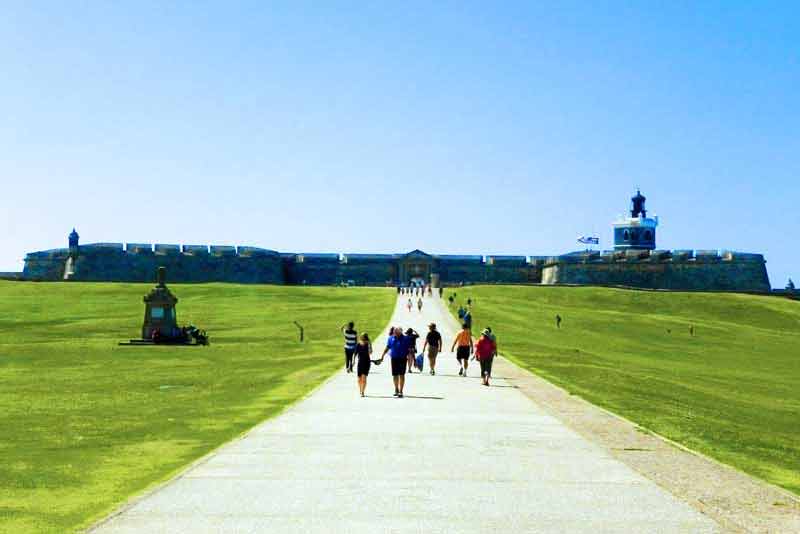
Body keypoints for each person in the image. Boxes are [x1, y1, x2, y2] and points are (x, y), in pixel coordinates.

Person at [381, 327, 412, 397]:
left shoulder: (406, 339)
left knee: (401, 375)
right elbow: (387, 347)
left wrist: (413, 360)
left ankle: (401, 391)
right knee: (395, 375)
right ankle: (396, 389)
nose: (395, 334)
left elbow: (410, 350)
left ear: (400, 332)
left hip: (403, 359)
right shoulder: (391, 338)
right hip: (394, 359)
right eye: (394, 332)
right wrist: (382, 355)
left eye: (396, 333)